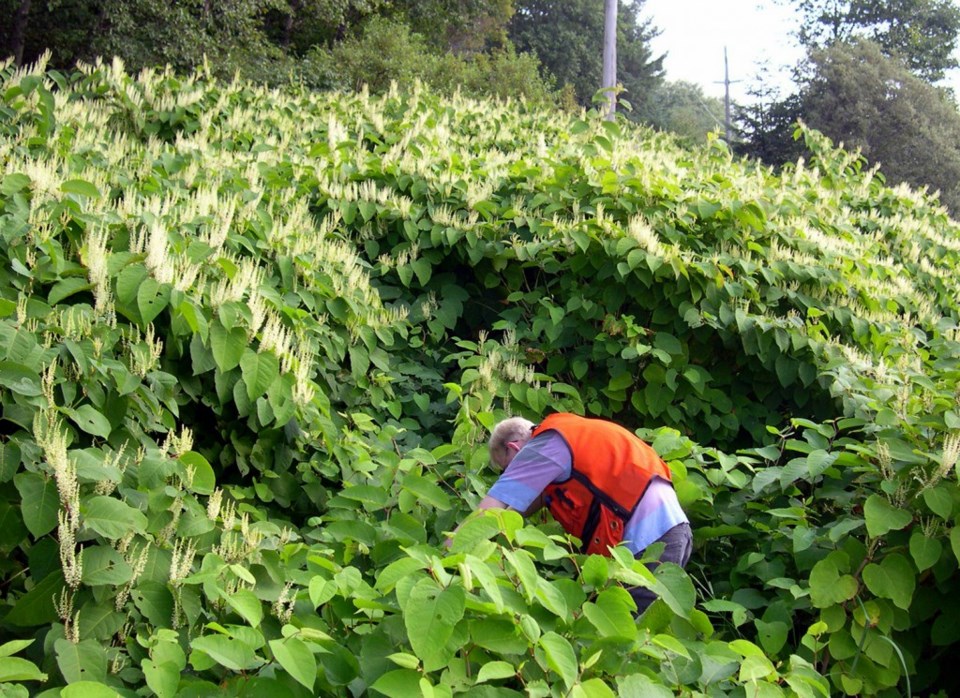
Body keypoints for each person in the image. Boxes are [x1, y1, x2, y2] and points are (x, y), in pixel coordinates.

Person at [472, 412, 692, 614]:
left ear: (514, 448)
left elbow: (488, 512)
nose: (509, 474)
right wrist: (501, 534)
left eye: (505, 468)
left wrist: (448, 558)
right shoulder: (568, 434)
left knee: (625, 645)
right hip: (673, 530)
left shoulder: (544, 446)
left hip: (645, 541)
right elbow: (519, 508)